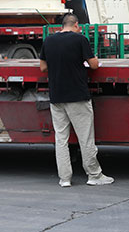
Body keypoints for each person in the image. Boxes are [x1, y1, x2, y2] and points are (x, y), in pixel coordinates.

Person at [39, 13, 114, 188]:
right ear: (76, 25)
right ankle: (94, 175)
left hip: (56, 96)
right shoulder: (80, 40)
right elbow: (94, 64)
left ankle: (64, 178)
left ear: (62, 26)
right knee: (85, 138)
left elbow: (43, 67)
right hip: (77, 96)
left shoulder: (48, 41)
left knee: (61, 139)